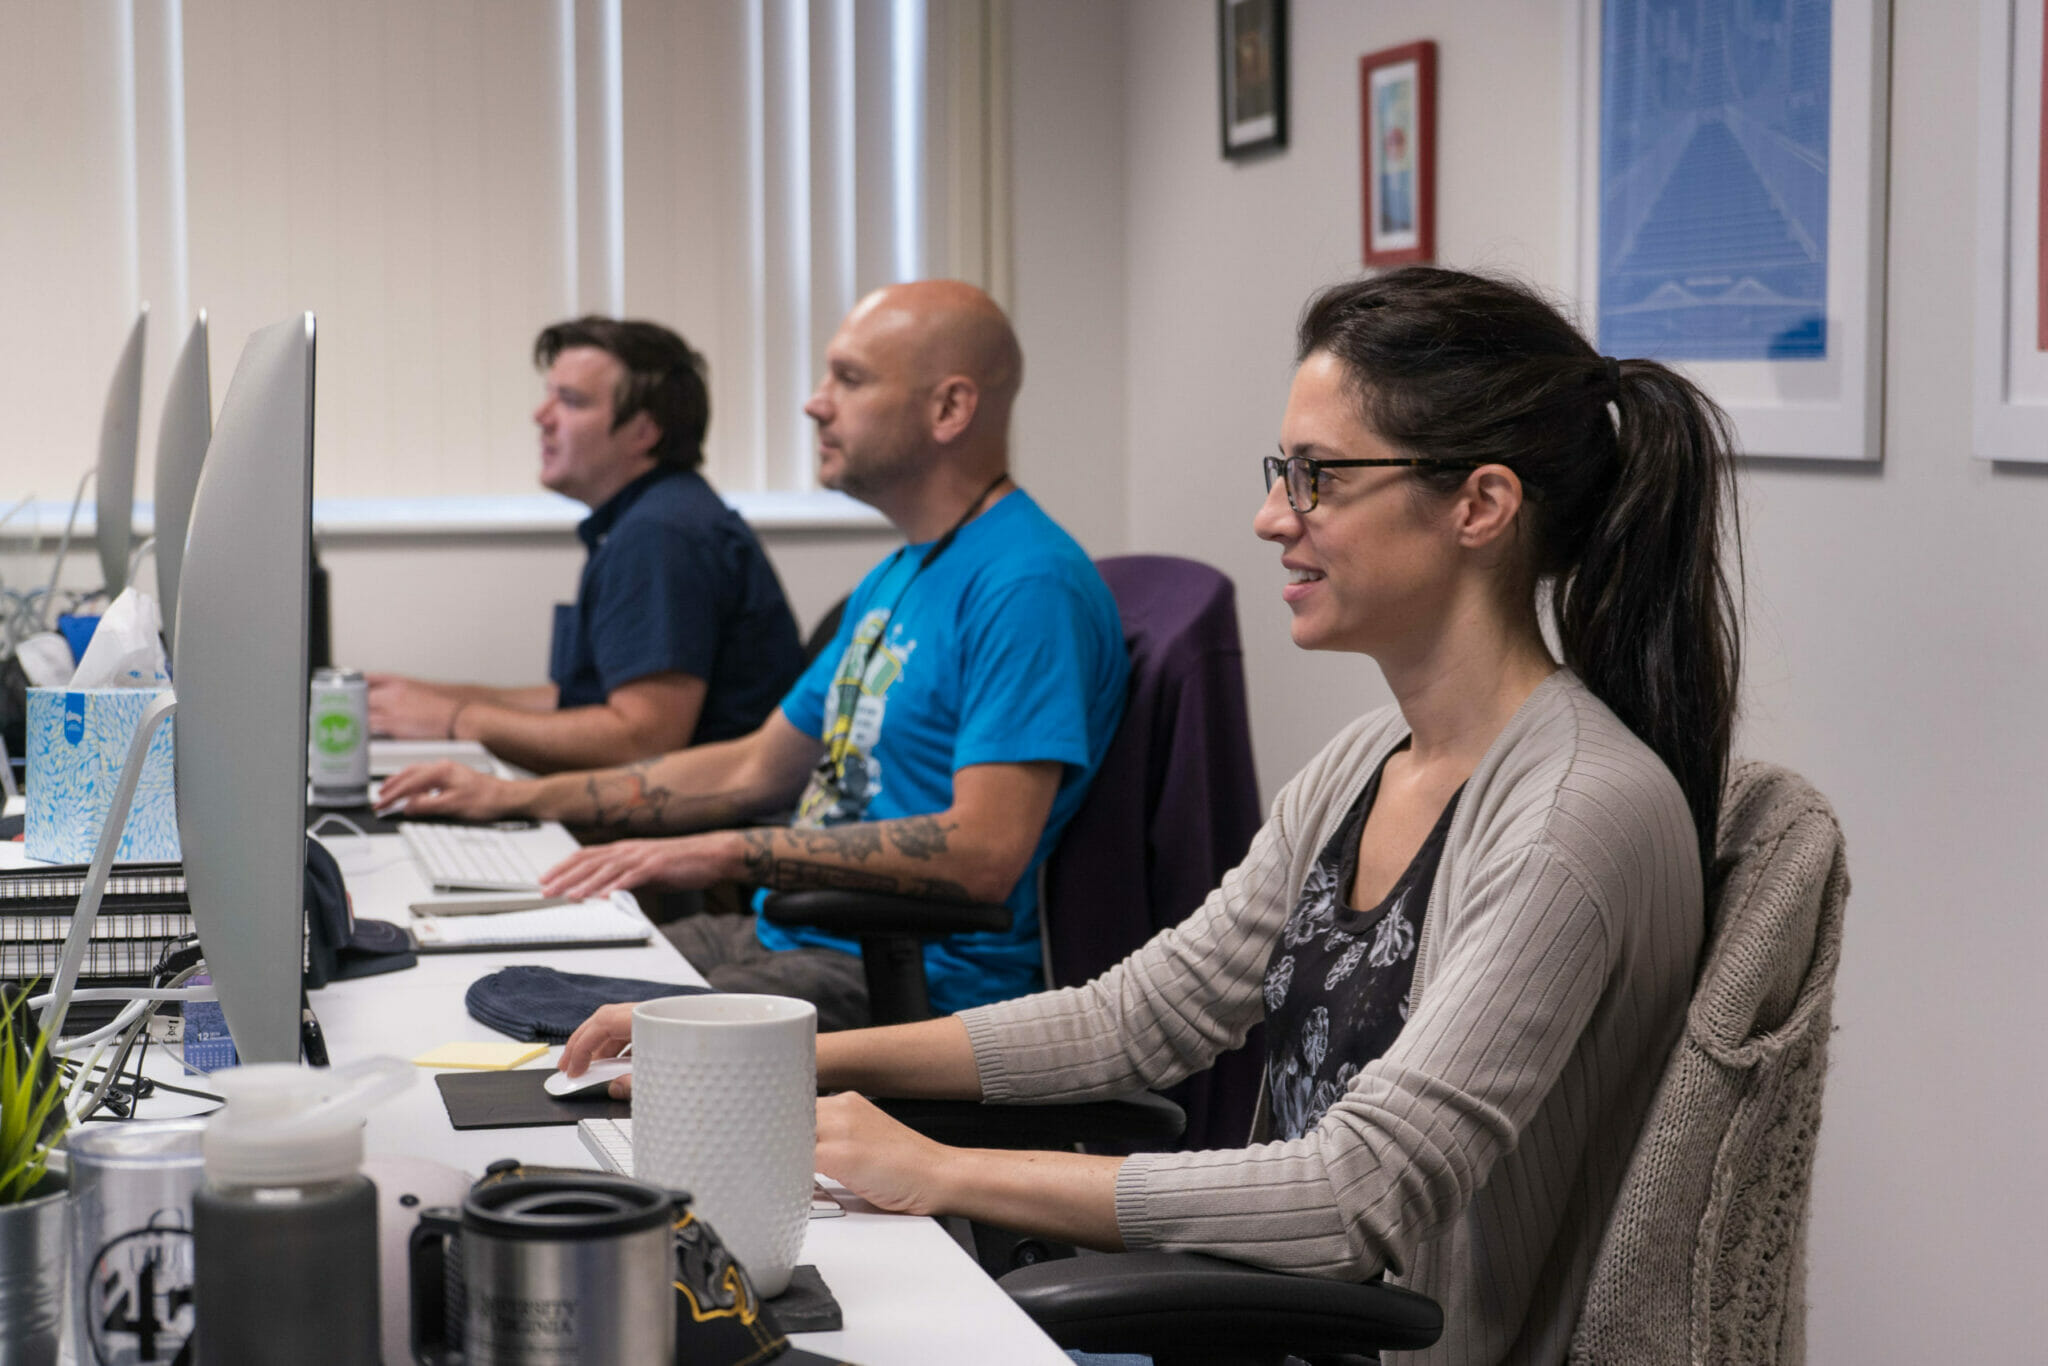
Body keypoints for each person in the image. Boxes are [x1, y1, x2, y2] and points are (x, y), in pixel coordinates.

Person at [561, 267, 1742, 1365]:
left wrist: (941, 1169)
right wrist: (772, 1057)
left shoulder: (1571, 815)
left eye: (1317, 476)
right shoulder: (1369, 761)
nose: (1272, 519)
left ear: (1479, 504)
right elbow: (1138, 1018)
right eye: (1277, 472)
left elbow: (1350, 1192)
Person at [379, 281, 1129, 1031]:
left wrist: (734, 852)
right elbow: (751, 767)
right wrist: (515, 797)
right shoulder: (900, 574)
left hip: (915, 981)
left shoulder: (1027, 584)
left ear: (949, 410)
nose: (814, 402)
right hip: (787, 934)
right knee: (479, 984)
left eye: (851, 378)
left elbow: (984, 850)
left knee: (566, 1042)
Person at [367, 317, 803, 773]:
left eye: (571, 401)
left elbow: (642, 738)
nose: (542, 416)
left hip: (693, 829)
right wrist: (436, 699)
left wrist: (457, 720)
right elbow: (583, 700)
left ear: (644, 432)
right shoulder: (650, 517)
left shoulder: (660, 536)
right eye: (549, 394)